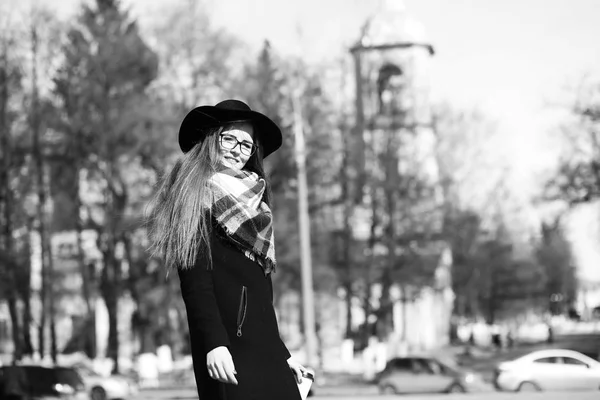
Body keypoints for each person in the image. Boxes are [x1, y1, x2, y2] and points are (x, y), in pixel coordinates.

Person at [149, 99, 308, 400]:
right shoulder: (194, 199)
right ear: (212, 141)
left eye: (246, 145)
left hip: (266, 351)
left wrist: (283, 354)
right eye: (230, 139)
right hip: (227, 351)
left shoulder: (257, 208)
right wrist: (213, 343)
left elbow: (262, 295)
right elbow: (196, 285)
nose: (237, 149)